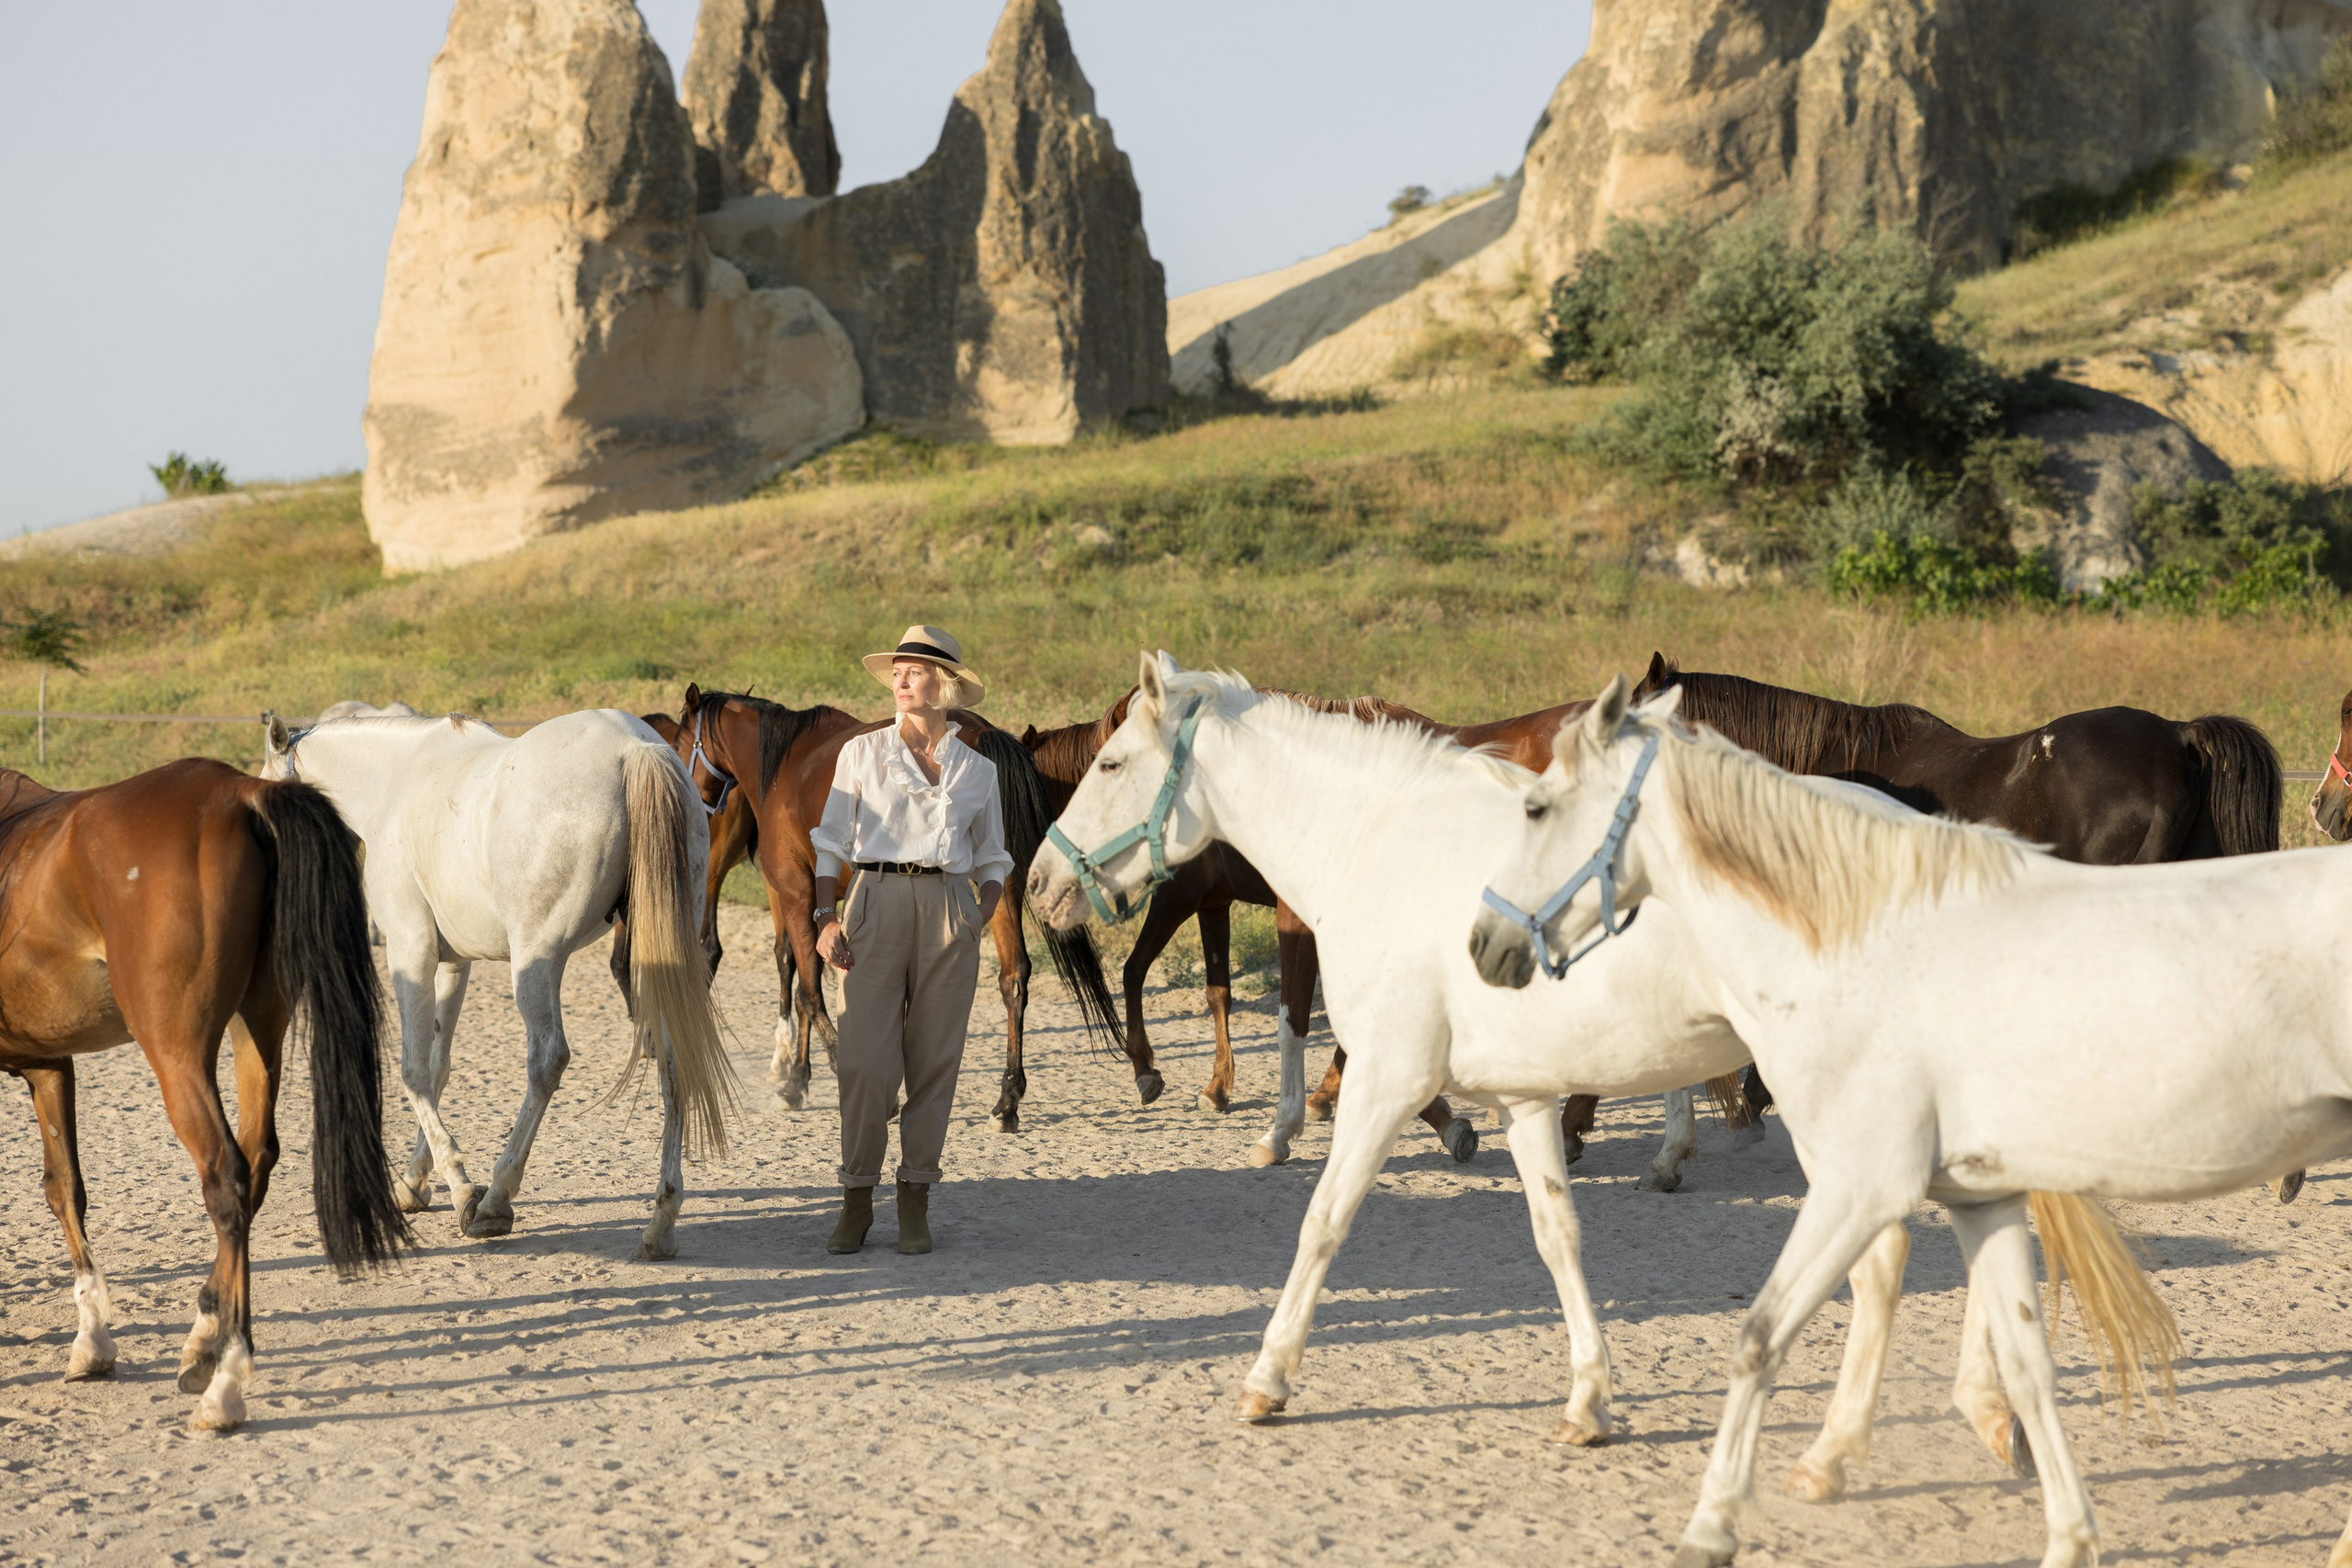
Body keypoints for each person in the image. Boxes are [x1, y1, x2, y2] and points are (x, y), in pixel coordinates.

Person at [809, 626, 1009, 1255]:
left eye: (914, 670)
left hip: (951, 910)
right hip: (873, 902)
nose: (900, 679)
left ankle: (915, 1195)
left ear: (942, 685)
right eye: (896, 670)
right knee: (864, 1063)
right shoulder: (861, 753)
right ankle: (857, 1197)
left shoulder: (979, 771)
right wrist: (826, 917)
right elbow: (831, 843)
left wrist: (979, 915)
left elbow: (994, 856)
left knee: (934, 1062)